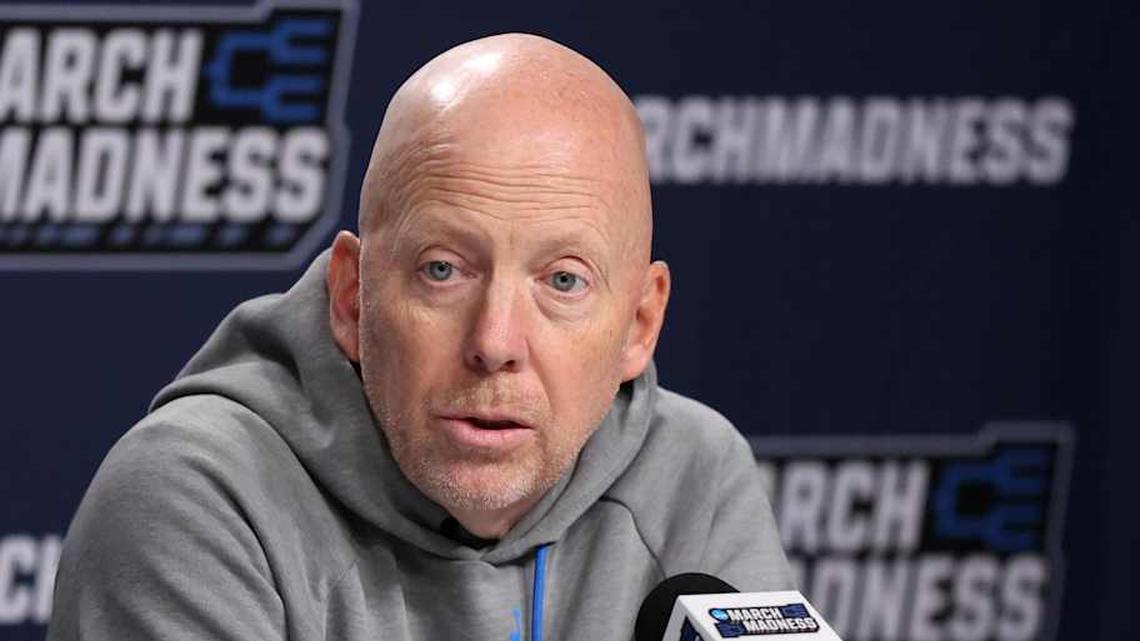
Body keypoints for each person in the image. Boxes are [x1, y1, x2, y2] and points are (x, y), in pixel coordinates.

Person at [47, 33, 792, 641]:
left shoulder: (696, 476)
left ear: (639, 324)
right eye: (443, 269)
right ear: (352, 295)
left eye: (562, 280)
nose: (496, 340)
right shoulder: (195, 496)